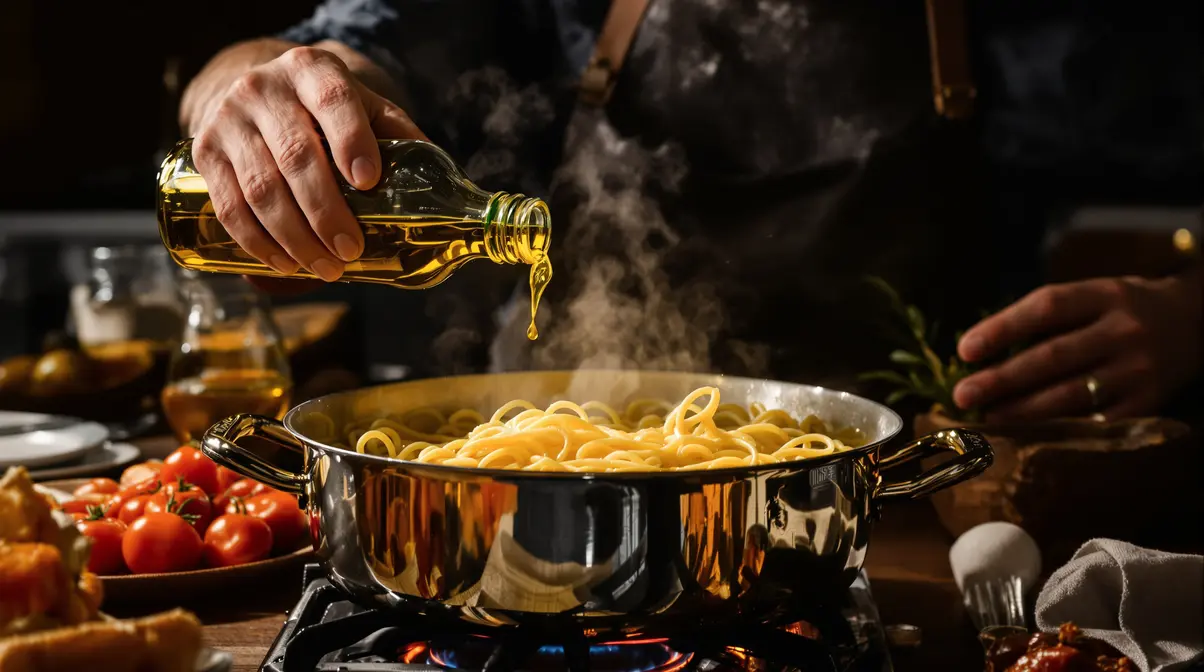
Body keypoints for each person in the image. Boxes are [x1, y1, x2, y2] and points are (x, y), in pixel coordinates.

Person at [178, 0, 1200, 423]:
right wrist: (258, 91)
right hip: (545, 479)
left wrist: (1190, 315)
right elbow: (351, 41)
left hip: (927, 494)